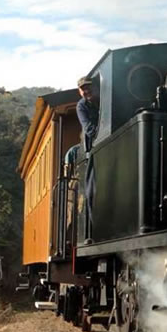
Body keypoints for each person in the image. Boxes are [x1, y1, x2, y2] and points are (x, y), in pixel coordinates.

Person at [76, 77, 99, 242]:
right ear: (80, 91)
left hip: (103, 144)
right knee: (91, 191)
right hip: (92, 150)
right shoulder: (81, 105)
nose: (86, 91)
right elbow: (89, 128)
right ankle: (92, 231)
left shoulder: (102, 101)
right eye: (83, 89)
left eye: (88, 87)